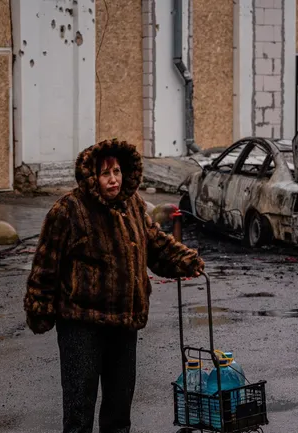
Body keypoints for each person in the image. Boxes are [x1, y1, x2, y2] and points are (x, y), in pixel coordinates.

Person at [23, 138, 205, 433]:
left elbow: (156, 245)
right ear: (92, 176)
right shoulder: (69, 210)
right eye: (105, 173)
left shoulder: (132, 205)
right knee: (79, 412)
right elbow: (46, 264)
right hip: (82, 324)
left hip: (124, 322)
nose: (113, 180)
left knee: (119, 413)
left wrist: (185, 260)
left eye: (117, 172)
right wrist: (39, 308)